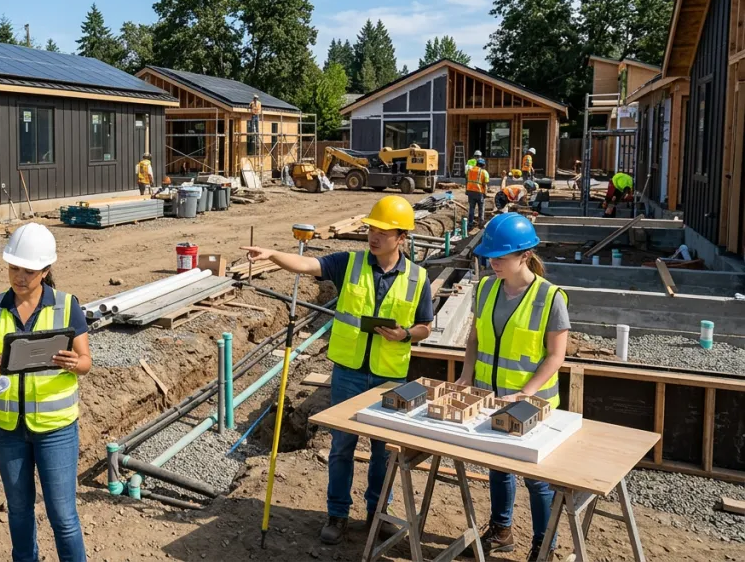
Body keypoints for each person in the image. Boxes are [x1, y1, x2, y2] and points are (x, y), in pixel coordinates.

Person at [242, 196, 434, 546]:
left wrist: (405, 334)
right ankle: (337, 514)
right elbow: (307, 264)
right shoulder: (350, 263)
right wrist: (272, 255)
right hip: (348, 372)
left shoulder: (417, 278)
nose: (374, 236)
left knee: (383, 453)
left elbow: (425, 327)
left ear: (401, 237)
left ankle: (378, 512)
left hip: (389, 376)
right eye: (372, 229)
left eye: (383, 232)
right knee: (342, 447)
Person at [0, 223, 91, 562]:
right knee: (19, 510)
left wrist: (74, 363)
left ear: (45, 270)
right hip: (6, 429)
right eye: (14, 268)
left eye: (28, 270)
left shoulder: (67, 306)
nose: (19, 277)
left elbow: (86, 362)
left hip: (56, 430)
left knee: (63, 517)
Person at [457, 213, 568, 561]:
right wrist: (466, 375)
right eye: (489, 256)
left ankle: (544, 546)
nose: (493, 263)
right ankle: (501, 531)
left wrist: (527, 392)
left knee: (537, 479)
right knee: (499, 467)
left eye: (500, 257)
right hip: (491, 398)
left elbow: (556, 355)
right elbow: (475, 338)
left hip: (533, 404)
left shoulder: (550, 297)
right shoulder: (486, 288)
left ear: (525, 255)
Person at [466, 158, 490, 227]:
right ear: (483, 165)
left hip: (470, 192)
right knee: (481, 208)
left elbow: (467, 180)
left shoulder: (470, 170)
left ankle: (470, 223)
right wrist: (485, 193)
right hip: (479, 192)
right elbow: (485, 184)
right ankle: (481, 223)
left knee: (471, 208)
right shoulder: (484, 172)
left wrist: (466, 191)